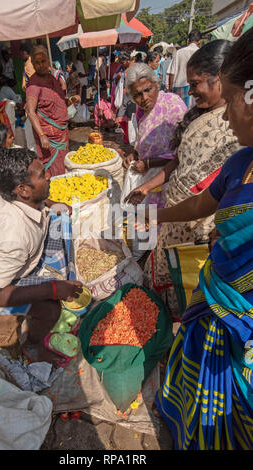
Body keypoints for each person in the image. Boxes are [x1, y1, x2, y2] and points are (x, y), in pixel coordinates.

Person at [153, 27, 253, 450]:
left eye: (231, 101)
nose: (227, 116)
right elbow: (201, 204)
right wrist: (156, 216)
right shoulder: (241, 161)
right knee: (192, 386)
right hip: (212, 296)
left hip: (242, 323)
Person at [125, 40, 241, 314]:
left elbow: (202, 200)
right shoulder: (201, 114)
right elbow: (179, 163)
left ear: (221, 78)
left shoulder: (233, 125)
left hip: (194, 229)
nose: (190, 91)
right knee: (164, 283)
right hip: (174, 219)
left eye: (196, 83)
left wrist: (155, 217)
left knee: (184, 291)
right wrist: (147, 189)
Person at [0, 147, 83, 363]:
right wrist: (52, 290)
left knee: (59, 225)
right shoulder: (12, 235)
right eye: (42, 175)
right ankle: (32, 346)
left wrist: (50, 203)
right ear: (22, 190)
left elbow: (38, 203)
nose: (49, 175)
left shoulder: (7, 188)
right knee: (50, 308)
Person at [123, 63, 187, 208]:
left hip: (172, 179)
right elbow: (142, 145)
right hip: (150, 182)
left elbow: (184, 151)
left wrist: (148, 164)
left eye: (148, 90)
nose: (144, 98)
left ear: (156, 85)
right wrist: (133, 155)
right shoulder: (141, 113)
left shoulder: (173, 104)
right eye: (137, 95)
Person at [25, 45, 80, 177]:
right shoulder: (33, 84)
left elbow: (59, 103)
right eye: (36, 62)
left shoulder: (52, 79)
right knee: (53, 172)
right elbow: (31, 112)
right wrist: (42, 135)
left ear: (48, 61)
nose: (41, 65)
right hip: (49, 139)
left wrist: (71, 100)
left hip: (62, 134)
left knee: (62, 167)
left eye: (43, 61)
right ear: (32, 64)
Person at [168, 30, 201, 107]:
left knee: (177, 113)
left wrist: (170, 90)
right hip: (194, 87)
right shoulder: (200, 52)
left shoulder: (179, 52)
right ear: (199, 41)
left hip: (178, 86)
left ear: (188, 41)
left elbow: (172, 72)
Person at [112, 50, 136, 144]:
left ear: (128, 60)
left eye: (123, 62)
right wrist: (118, 77)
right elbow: (115, 78)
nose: (122, 64)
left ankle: (130, 137)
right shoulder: (121, 68)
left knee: (130, 117)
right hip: (123, 95)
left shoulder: (134, 67)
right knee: (121, 116)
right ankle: (126, 134)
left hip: (132, 96)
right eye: (121, 62)